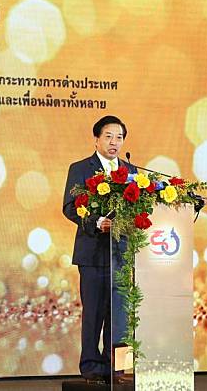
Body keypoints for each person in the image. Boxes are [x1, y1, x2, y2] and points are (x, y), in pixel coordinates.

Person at [62, 115, 137, 384]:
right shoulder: (81, 169)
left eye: (119, 137)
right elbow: (70, 207)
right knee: (94, 312)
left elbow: (140, 208)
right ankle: (92, 367)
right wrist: (96, 222)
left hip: (122, 254)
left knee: (120, 313)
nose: (114, 142)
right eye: (108, 136)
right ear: (96, 139)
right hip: (92, 254)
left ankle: (116, 368)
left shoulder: (132, 173)